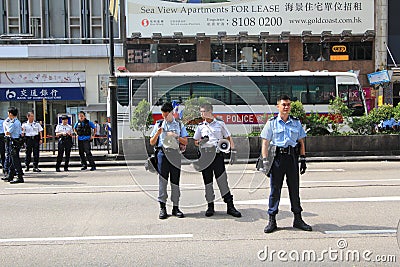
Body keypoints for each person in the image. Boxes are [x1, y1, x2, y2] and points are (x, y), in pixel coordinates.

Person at [260, 95, 312, 233]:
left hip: (292, 159)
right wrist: (265, 161)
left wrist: (303, 159)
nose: (286, 107)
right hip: (277, 159)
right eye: (284, 104)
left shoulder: (296, 122)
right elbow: (265, 143)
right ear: (278, 106)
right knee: (275, 190)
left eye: (288, 104)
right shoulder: (272, 123)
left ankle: (298, 219)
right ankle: (272, 220)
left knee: (294, 190)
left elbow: (301, 142)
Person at [193, 103, 241, 218]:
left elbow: (228, 137)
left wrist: (233, 151)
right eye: (201, 112)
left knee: (222, 181)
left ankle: (230, 206)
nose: (201, 114)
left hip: (217, 156)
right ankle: (210, 206)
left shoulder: (220, 124)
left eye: (203, 111)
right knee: (208, 182)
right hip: (205, 157)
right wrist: (200, 142)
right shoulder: (200, 126)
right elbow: (195, 141)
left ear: (210, 111)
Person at [150, 102, 188, 219]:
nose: (164, 117)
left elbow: (185, 141)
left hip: (175, 154)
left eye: (166, 115)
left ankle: (176, 207)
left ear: (172, 113)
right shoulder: (159, 124)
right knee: (163, 181)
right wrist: (158, 133)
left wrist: (176, 136)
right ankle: (162, 208)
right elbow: (151, 142)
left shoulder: (179, 125)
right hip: (163, 154)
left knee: (175, 181)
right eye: (163, 115)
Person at [2, 107, 24, 184]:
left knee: (15, 160)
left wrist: (6, 127)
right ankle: (10, 175)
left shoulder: (14, 122)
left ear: (10, 114)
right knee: (12, 160)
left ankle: (19, 176)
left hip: (13, 141)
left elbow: (8, 132)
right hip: (14, 141)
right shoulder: (16, 121)